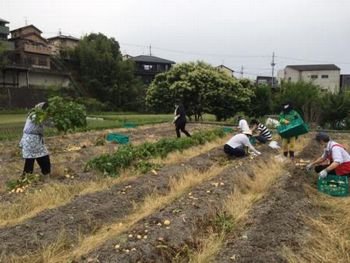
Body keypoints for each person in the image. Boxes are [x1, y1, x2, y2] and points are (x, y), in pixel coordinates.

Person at [19, 102, 51, 178]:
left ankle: (45, 174)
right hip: (31, 140)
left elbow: (49, 123)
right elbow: (43, 121)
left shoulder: (40, 116)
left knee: (41, 157)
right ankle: (26, 178)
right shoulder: (35, 115)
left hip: (35, 140)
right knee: (32, 159)